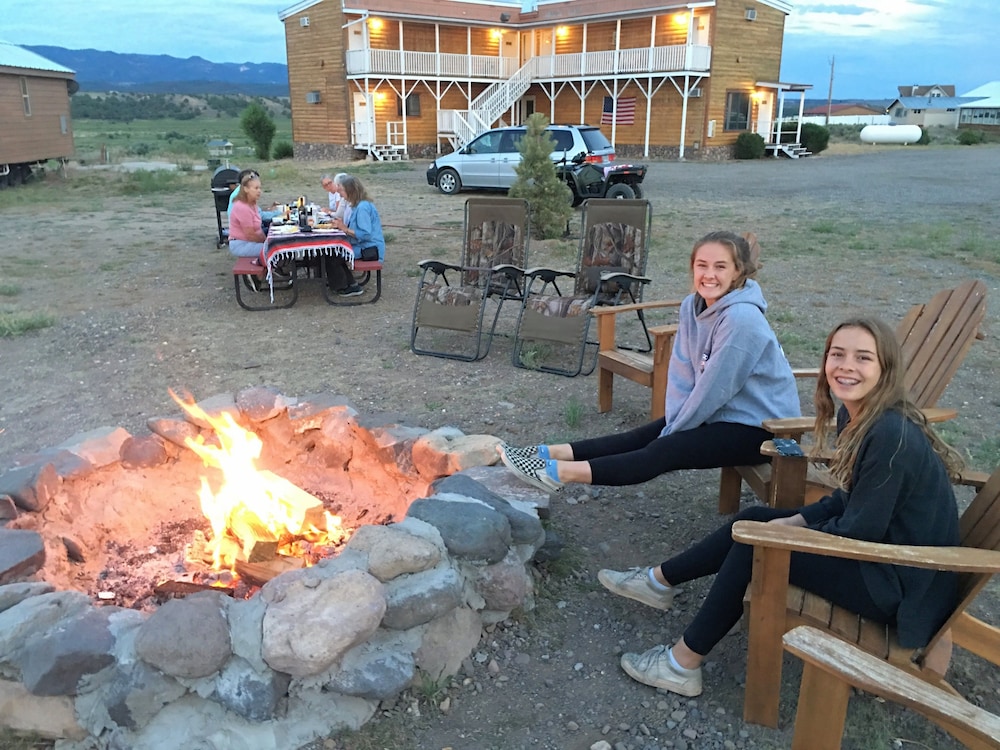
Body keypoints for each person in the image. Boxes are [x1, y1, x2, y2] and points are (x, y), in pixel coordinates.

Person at [600, 316, 963, 698]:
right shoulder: (859, 415)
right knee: (754, 520)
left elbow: (860, 531)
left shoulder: (891, 436)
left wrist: (787, 536)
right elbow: (854, 499)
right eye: (837, 354)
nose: (846, 366)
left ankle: (681, 664)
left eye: (863, 358)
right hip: (885, 557)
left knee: (756, 544)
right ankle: (659, 582)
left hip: (897, 586)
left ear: (885, 368)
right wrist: (798, 519)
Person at [499, 230, 801, 493]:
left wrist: (675, 429)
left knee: (666, 448)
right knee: (642, 435)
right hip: (723, 413)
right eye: (702, 265)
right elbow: (682, 371)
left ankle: (556, 474)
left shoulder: (741, 319)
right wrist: (674, 419)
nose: (709, 275)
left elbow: (714, 388)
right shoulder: (691, 306)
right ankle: (546, 453)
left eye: (720, 267)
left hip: (762, 427)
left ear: (737, 272)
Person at [325, 174, 385, 297]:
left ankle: (345, 286)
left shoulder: (362, 207)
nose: (340, 194)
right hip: (364, 246)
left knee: (333, 254)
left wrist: (344, 229)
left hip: (370, 249)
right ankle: (347, 283)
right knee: (333, 251)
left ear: (350, 190)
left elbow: (365, 234)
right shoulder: (357, 205)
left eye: (341, 190)